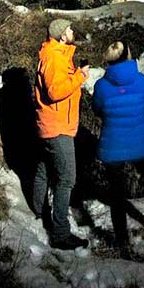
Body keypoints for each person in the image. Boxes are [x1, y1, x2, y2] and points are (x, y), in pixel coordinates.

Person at [92, 41, 144, 253]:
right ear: (128, 56)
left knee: (117, 194)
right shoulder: (140, 80)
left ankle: (122, 240)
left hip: (112, 145)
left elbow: (97, 109)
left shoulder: (102, 86)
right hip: (139, 142)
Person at [32, 18, 90, 250]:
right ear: (61, 35)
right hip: (58, 127)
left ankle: (38, 211)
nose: (72, 31)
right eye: (69, 29)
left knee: (44, 170)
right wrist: (80, 77)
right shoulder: (54, 57)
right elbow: (55, 91)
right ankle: (60, 234)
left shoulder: (56, 54)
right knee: (66, 179)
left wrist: (74, 73)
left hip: (50, 124)